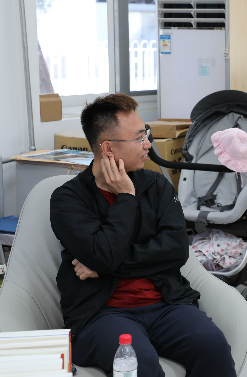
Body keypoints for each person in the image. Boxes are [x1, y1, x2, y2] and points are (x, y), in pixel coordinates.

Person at [50, 94, 236, 377]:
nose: (148, 144)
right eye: (139, 138)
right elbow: (105, 254)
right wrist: (126, 196)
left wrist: (105, 268)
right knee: (139, 366)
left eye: (146, 134)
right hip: (102, 313)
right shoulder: (67, 199)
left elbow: (176, 250)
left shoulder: (156, 186)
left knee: (213, 346)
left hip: (166, 303)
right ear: (108, 148)